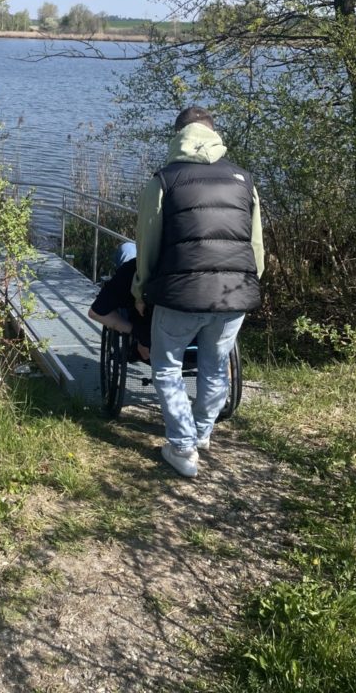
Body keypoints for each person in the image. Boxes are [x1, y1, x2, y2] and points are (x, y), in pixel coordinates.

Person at [131, 107, 264, 478]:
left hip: (180, 294)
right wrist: (247, 283)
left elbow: (148, 243)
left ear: (178, 135)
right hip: (233, 294)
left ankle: (183, 446)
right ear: (213, 133)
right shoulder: (244, 180)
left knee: (167, 367)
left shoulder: (164, 180)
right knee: (214, 366)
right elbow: (256, 247)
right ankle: (202, 432)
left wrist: (140, 289)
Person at [88, 241, 151, 360]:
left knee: (126, 248)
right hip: (192, 343)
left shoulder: (134, 268)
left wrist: (138, 333)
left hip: (149, 342)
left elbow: (95, 312)